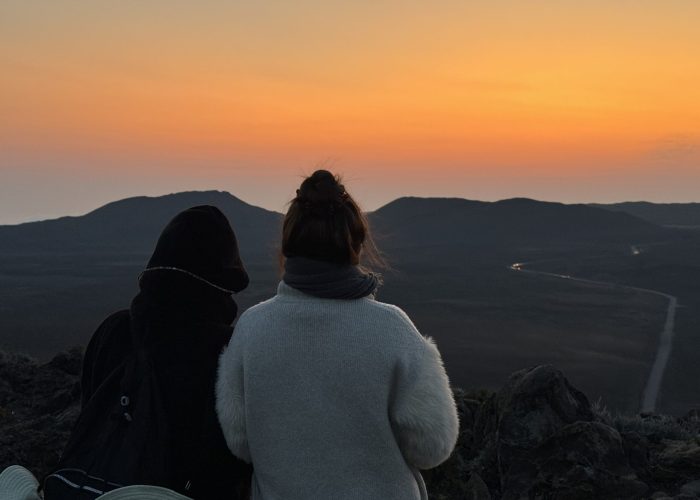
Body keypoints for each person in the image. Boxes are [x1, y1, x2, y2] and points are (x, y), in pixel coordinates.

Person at [216, 171, 459, 500]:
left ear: (288, 246)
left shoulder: (252, 328)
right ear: (356, 245)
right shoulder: (394, 329)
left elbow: (240, 441)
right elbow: (432, 446)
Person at [45, 205, 252, 499]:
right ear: (223, 284)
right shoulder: (225, 350)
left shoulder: (113, 330)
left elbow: (92, 409)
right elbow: (225, 460)